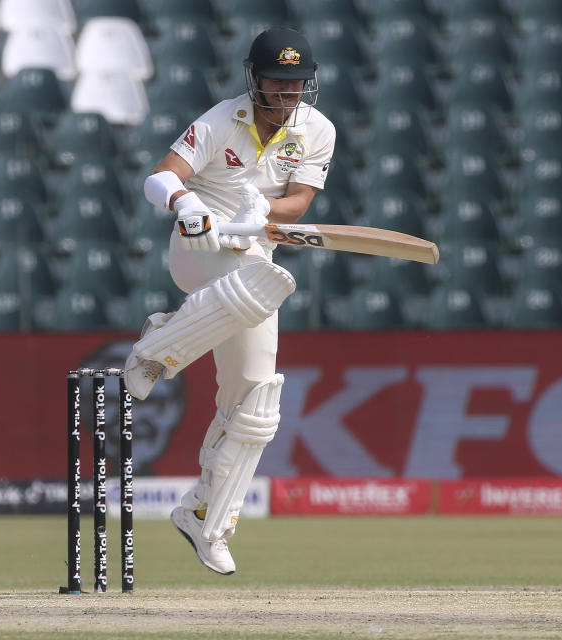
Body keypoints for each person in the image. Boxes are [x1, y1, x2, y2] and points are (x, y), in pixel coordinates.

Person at [124, 27, 336, 575]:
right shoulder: (222, 119)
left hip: (253, 261)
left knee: (257, 403)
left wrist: (259, 219)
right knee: (252, 278)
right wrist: (188, 203)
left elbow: (299, 201)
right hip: (198, 249)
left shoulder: (317, 130)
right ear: (255, 79)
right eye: (278, 82)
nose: (288, 94)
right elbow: (159, 176)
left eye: (297, 84)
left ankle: (206, 515)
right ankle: (158, 351)